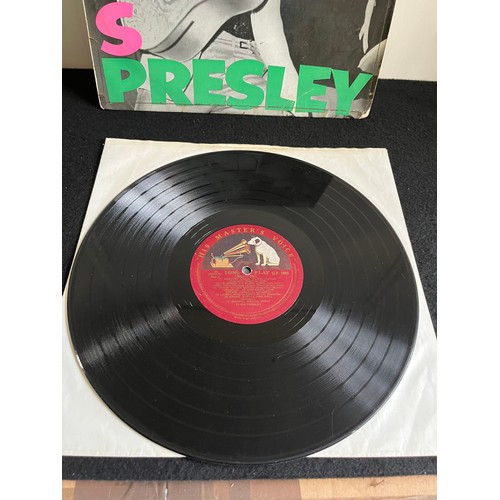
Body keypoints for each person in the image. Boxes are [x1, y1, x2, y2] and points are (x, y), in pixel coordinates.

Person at [134, 0, 303, 115]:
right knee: (156, 151)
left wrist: (295, 99)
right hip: (177, 60)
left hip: (244, 65)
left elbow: (268, 29)